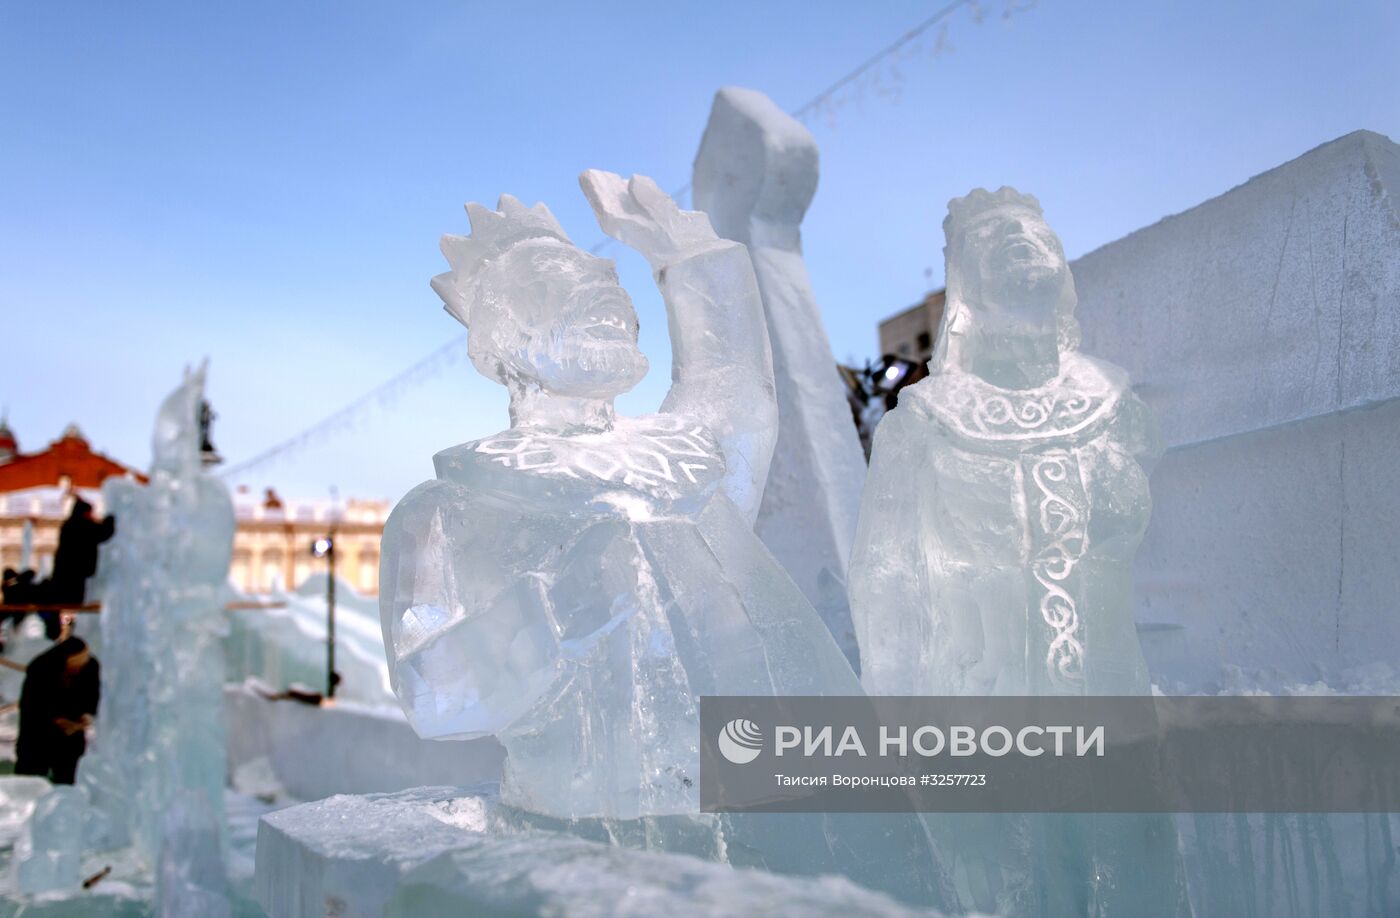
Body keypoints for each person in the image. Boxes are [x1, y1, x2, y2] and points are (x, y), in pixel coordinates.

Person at [15, 636, 100, 784]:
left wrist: (85, 716)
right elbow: (32, 706)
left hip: (71, 735)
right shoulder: (40, 668)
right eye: (76, 662)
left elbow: (92, 696)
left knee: (68, 778)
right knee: (30, 777)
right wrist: (56, 720)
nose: (81, 664)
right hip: (38, 733)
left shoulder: (90, 666)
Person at [43, 498, 115, 639]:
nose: (92, 516)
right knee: (71, 604)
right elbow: (104, 533)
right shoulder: (82, 525)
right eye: (90, 513)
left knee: (63, 604)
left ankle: (57, 632)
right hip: (74, 574)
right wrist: (111, 519)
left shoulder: (69, 525)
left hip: (63, 573)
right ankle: (65, 633)